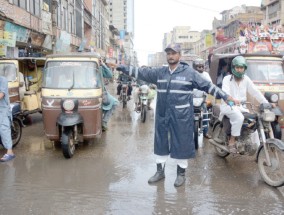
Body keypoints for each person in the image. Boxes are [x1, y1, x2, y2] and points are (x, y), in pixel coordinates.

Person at [116, 43, 234, 187]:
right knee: (161, 142)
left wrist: (226, 96)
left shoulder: (189, 73)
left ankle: (181, 174)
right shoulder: (161, 73)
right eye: (168, 53)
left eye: (173, 53)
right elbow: (142, 73)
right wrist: (125, 69)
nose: (170, 56)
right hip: (163, 114)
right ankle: (160, 172)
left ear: (179, 55)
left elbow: (208, 86)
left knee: (182, 143)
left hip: (182, 116)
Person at [219, 56, 270, 154]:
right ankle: (232, 141)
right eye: (237, 67)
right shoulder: (227, 79)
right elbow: (225, 95)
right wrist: (232, 101)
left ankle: (251, 144)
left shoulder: (246, 79)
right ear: (233, 68)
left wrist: (266, 103)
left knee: (254, 119)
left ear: (244, 68)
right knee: (239, 117)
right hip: (228, 105)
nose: (239, 70)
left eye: (241, 67)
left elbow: (256, 92)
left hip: (241, 107)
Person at [192, 58, 212, 139]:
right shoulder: (192, 74)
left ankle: (206, 132)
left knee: (205, 114)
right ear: (195, 67)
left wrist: (208, 91)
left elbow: (210, 84)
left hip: (202, 98)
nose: (200, 68)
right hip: (192, 98)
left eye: (201, 66)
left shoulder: (206, 75)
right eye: (198, 67)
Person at [99, 58, 119, 131]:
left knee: (115, 103)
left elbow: (110, 75)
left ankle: (104, 121)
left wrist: (103, 65)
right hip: (92, 92)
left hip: (101, 92)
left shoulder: (99, 68)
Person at [0, 76, 15, 162]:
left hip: (3, 109)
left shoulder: (3, 80)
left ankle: (10, 152)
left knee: (4, 129)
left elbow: (1, 94)